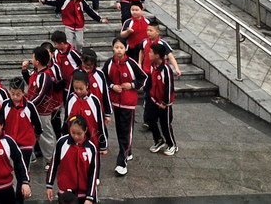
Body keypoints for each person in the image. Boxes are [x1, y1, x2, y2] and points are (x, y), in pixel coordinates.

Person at [104, 37, 147, 176]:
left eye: (121, 47)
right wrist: (112, 86)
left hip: (129, 102)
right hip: (115, 101)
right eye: (116, 47)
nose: (118, 50)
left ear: (126, 49)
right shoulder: (109, 63)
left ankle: (121, 162)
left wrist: (132, 85)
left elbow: (143, 78)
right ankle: (128, 151)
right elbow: (104, 77)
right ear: (112, 48)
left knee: (126, 130)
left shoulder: (131, 63)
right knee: (120, 129)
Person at [37, 0, 107, 53]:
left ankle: (78, 53)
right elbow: (55, 1)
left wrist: (100, 19)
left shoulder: (82, 1)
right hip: (68, 24)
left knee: (80, 43)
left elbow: (90, 11)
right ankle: (69, 54)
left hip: (79, 25)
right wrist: (44, 1)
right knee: (68, 43)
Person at [45, 115, 100, 203]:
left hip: (84, 194)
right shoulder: (62, 143)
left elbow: (93, 173)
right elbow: (53, 165)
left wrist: (90, 197)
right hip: (66, 194)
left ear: (85, 130)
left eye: (79, 133)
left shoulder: (91, 148)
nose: (76, 136)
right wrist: (49, 185)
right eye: (73, 132)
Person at [144, 41, 177, 156]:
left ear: (157, 55)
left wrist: (165, 102)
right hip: (153, 99)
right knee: (150, 119)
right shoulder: (153, 66)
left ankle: (172, 144)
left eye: (151, 52)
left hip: (164, 103)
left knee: (165, 124)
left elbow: (169, 88)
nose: (148, 54)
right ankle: (158, 140)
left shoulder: (166, 70)